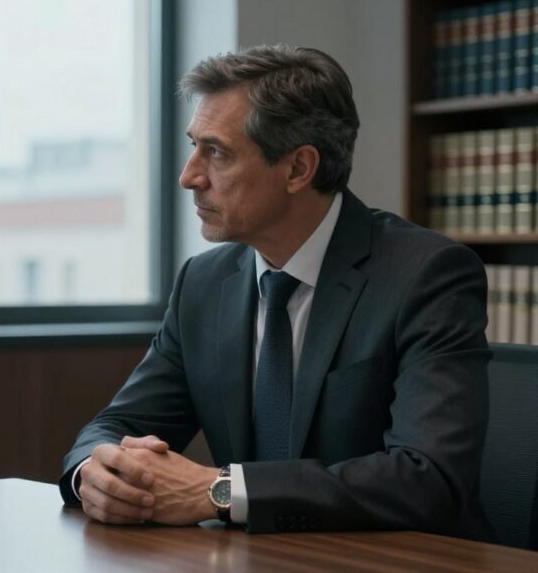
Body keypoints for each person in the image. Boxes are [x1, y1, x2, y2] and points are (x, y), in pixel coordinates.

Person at [60, 45, 491, 538]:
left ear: (297, 169)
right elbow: (116, 426)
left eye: (216, 152)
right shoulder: (203, 283)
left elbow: (428, 479)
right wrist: (95, 475)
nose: (189, 176)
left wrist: (218, 490)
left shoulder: (427, 275)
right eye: (193, 145)